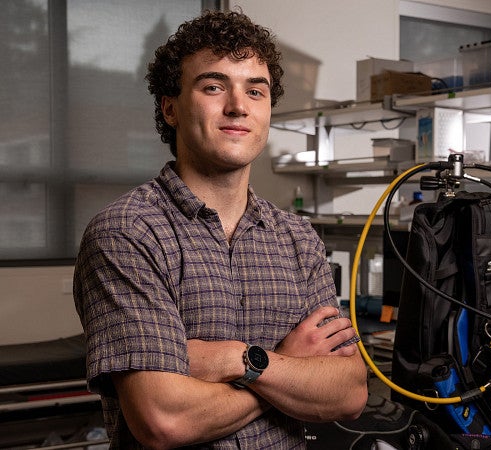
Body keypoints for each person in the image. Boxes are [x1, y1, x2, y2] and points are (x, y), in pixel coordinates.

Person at [73, 9, 368, 449]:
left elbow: (348, 392)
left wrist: (233, 360)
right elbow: (164, 420)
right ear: (170, 108)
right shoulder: (127, 232)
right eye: (214, 86)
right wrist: (287, 364)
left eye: (255, 90)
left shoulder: (297, 239)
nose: (238, 106)